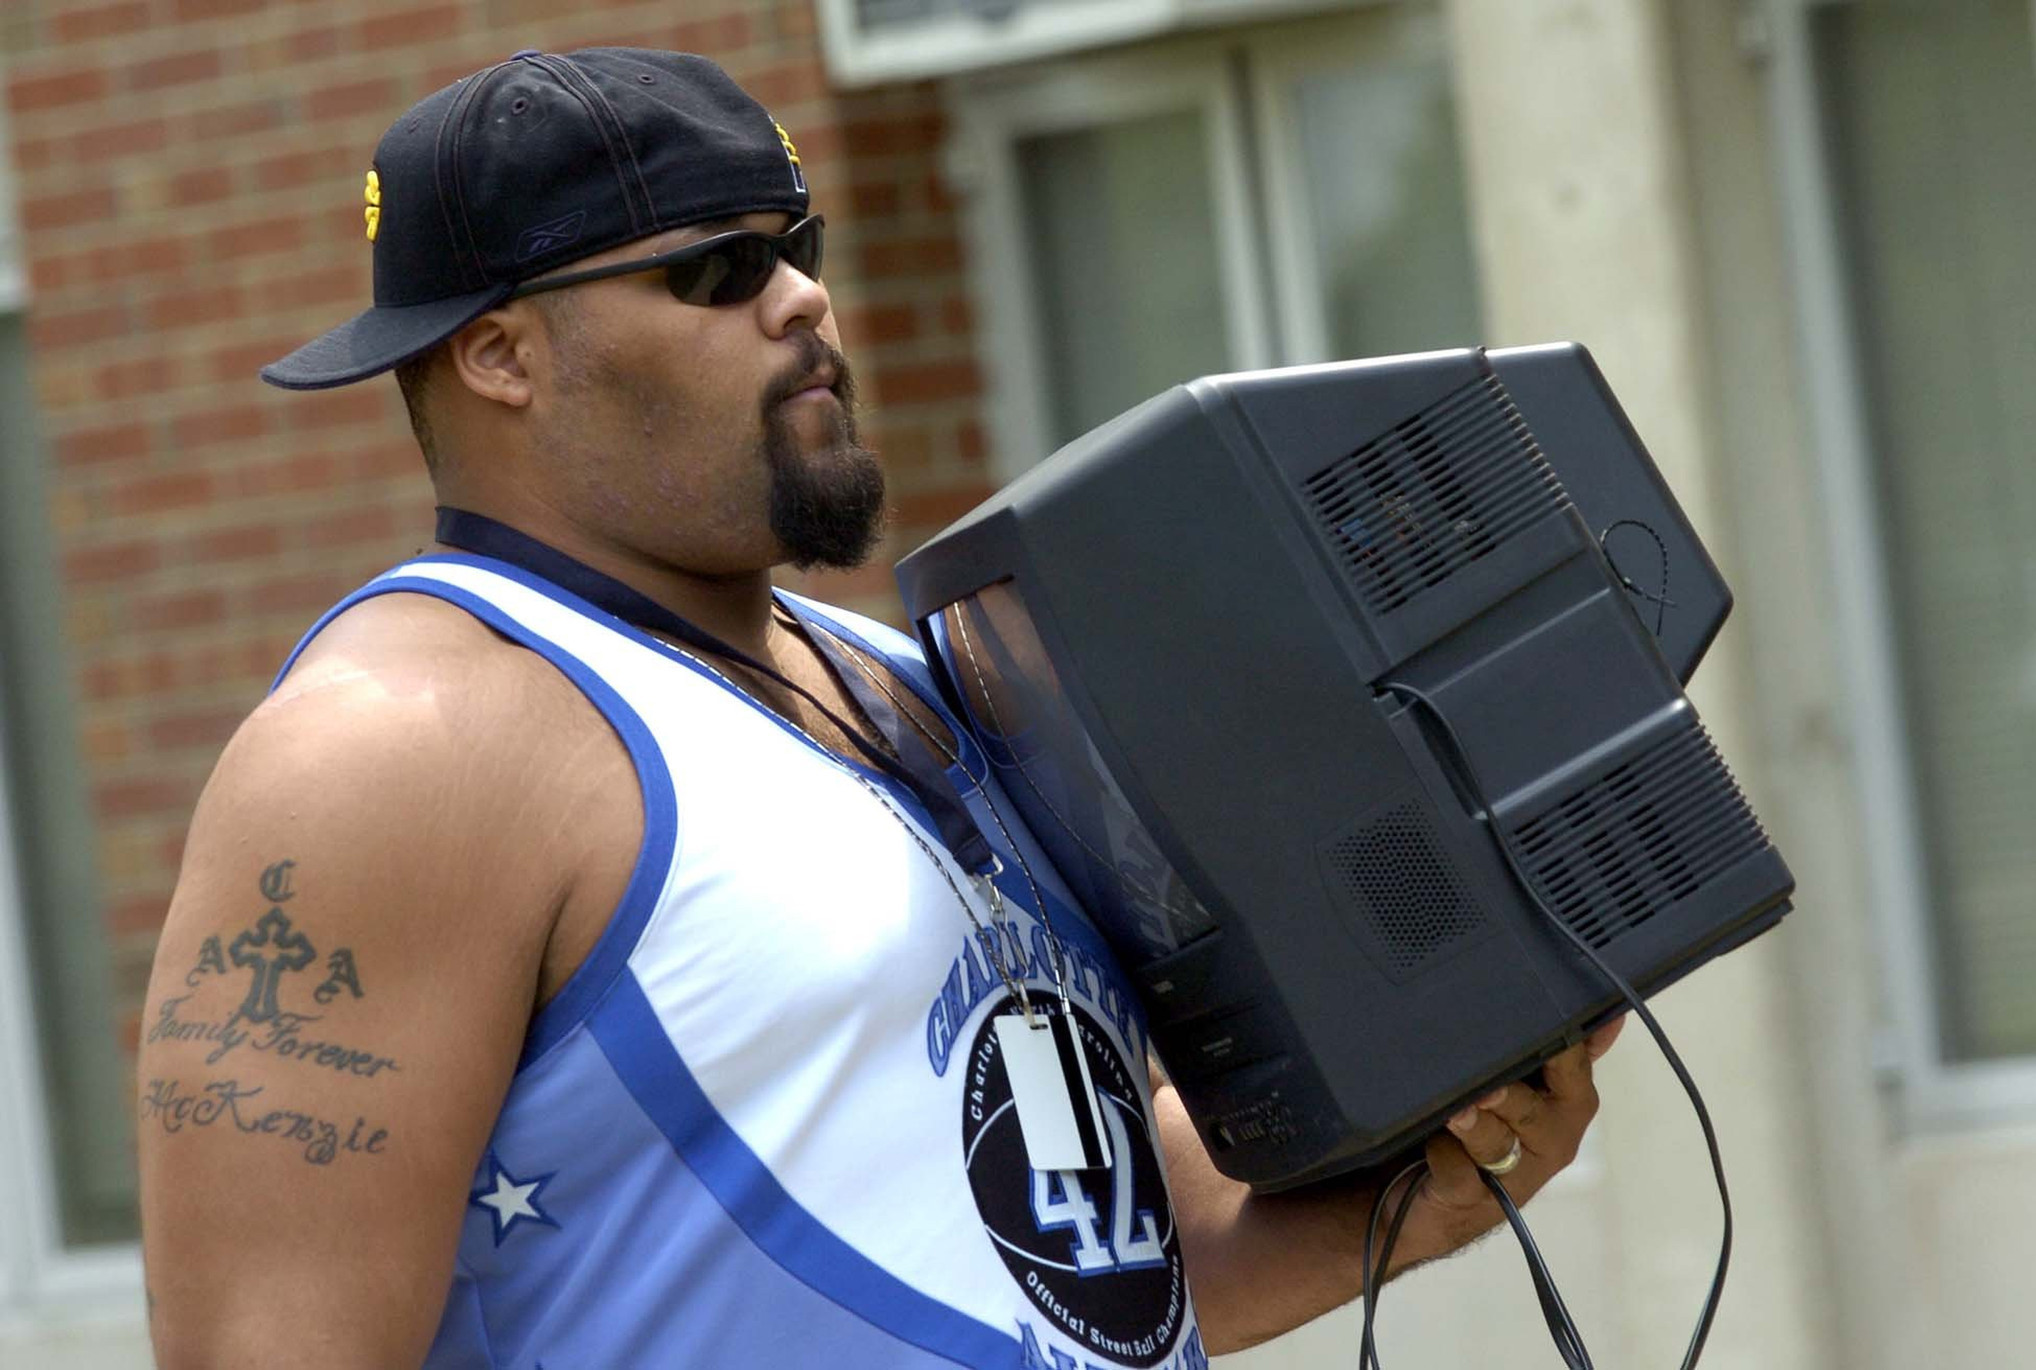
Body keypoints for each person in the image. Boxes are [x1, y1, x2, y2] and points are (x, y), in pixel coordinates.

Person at [136, 47, 1621, 1370]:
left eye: (801, 245)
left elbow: (1070, 1269)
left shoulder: (917, 677)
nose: (803, 298)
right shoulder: (396, 750)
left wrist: (1399, 1206)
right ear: (501, 353)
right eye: (717, 269)